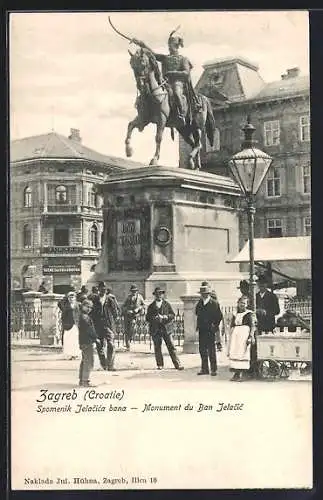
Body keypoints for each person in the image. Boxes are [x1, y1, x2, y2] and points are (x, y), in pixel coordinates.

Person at [132, 29, 201, 127]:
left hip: (178, 82)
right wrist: (140, 43)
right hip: (166, 83)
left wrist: (172, 73)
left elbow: (186, 73)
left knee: (177, 93)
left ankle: (181, 114)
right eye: (169, 45)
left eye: (171, 45)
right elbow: (153, 54)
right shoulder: (165, 58)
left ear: (176, 46)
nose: (169, 47)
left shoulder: (183, 59)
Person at [146, 287, 184, 371]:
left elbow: (172, 315)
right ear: (155, 295)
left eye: (160, 294)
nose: (159, 295)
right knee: (157, 347)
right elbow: (147, 318)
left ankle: (177, 364)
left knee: (171, 347)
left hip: (166, 329)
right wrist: (155, 318)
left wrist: (165, 317)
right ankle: (160, 364)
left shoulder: (167, 304)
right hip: (156, 329)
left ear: (162, 295)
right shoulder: (151, 306)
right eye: (157, 294)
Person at [90, 281, 120, 371]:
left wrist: (114, 321)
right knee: (100, 345)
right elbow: (90, 311)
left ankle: (110, 365)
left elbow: (116, 312)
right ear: (98, 290)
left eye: (104, 289)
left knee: (111, 344)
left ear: (106, 290)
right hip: (97, 325)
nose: (103, 291)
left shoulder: (110, 299)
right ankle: (103, 365)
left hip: (108, 325)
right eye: (101, 289)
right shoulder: (94, 299)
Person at [195, 282, 223, 376]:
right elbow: (197, 313)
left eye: (205, 294)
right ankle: (204, 369)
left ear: (208, 294)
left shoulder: (214, 303)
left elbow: (219, 316)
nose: (203, 295)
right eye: (202, 294)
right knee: (202, 349)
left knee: (211, 349)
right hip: (202, 329)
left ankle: (214, 369)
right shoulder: (199, 303)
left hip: (210, 330)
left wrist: (214, 326)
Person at [227, 296, 254, 382]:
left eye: (244, 303)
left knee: (242, 352)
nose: (242, 305)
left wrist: (250, 336)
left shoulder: (249, 314)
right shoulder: (235, 314)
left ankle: (242, 374)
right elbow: (232, 325)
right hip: (236, 335)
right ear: (238, 304)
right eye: (241, 303)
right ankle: (236, 373)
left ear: (247, 304)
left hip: (244, 334)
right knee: (235, 352)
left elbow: (252, 326)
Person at [78, 299, 100, 387]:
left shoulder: (82, 316)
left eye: (90, 307)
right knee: (89, 361)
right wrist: (96, 338)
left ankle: (82, 379)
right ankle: (85, 381)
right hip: (87, 341)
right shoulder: (84, 317)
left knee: (84, 360)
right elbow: (89, 330)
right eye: (87, 307)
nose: (89, 309)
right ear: (83, 306)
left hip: (83, 341)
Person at [122, 284, 145, 350]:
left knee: (132, 328)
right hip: (128, 315)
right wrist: (127, 310)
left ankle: (130, 338)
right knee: (126, 330)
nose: (133, 292)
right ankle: (128, 346)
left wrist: (138, 308)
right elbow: (123, 306)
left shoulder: (140, 297)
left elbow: (144, 305)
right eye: (132, 291)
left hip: (135, 315)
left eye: (135, 291)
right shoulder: (128, 297)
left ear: (137, 291)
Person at [60, 291, 80, 360]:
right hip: (68, 325)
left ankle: (75, 354)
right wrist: (65, 324)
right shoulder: (66, 306)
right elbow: (63, 316)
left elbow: (79, 314)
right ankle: (69, 354)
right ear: (68, 299)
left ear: (75, 298)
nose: (71, 299)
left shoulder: (77, 305)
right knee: (68, 340)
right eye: (70, 298)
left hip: (76, 325)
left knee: (75, 340)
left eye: (73, 297)